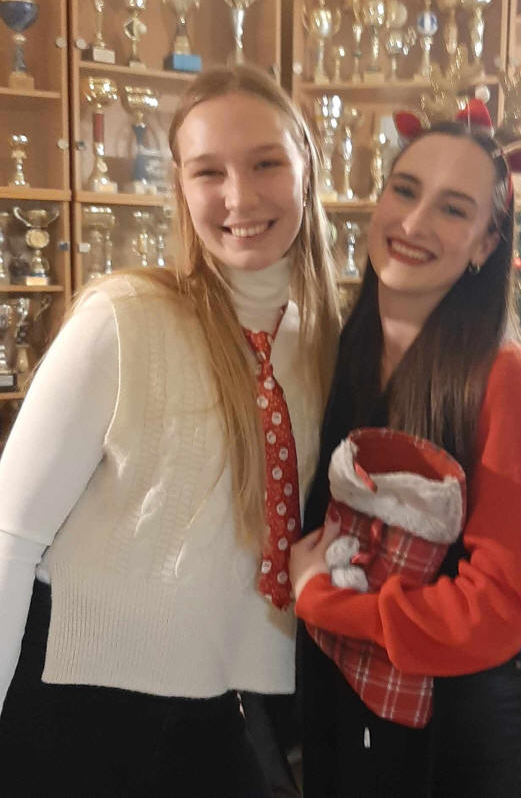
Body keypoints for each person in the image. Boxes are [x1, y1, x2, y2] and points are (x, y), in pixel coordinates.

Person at [0, 63, 340, 797]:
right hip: (77, 699)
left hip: (229, 704)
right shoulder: (124, 319)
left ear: (307, 168)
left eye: (266, 163)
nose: (239, 196)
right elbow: (11, 534)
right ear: (181, 188)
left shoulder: (325, 345)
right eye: (209, 171)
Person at [290, 119, 521, 798]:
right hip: (364, 716)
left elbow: (498, 607)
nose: (414, 222)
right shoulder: (340, 350)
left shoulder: (503, 378)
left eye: (452, 209)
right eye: (405, 190)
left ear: (486, 244)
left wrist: (327, 602)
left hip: (480, 736)